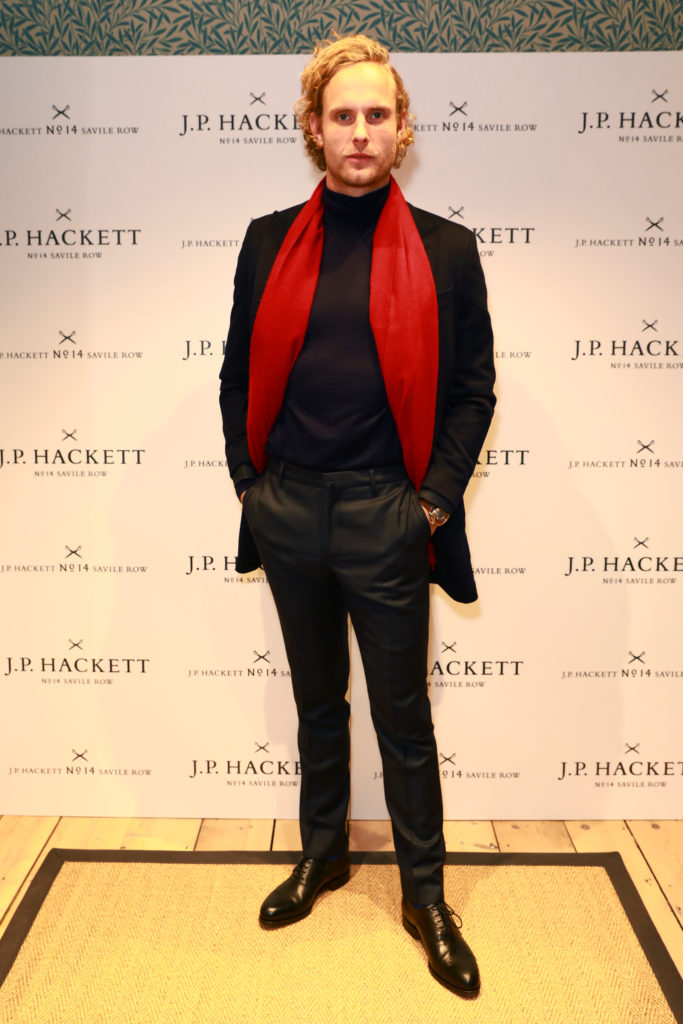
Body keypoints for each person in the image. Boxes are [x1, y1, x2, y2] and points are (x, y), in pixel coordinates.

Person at [219, 34, 495, 998]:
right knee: (316, 704)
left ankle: (425, 897)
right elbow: (235, 374)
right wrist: (249, 484)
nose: (361, 131)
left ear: (402, 127)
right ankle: (323, 854)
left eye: (378, 114)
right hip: (288, 505)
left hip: (388, 510)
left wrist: (432, 504)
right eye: (343, 115)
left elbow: (472, 390)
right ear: (314, 128)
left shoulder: (446, 250)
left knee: (402, 717)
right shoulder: (266, 240)